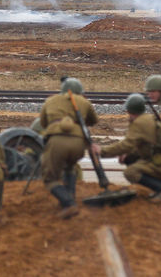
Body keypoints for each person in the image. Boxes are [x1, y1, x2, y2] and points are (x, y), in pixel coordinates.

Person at [92, 93, 161, 203]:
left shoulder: (139, 123)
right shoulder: (148, 118)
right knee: (129, 157)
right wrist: (128, 153)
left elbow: (126, 144)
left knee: (130, 172)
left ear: (130, 111)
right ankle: (159, 185)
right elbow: (142, 144)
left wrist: (102, 151)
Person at [38, 77, 97, 218]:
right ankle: (70, 201)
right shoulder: (84, 102)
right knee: (70, 168)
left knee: (50, 179)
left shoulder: (50, 100)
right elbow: (93, 121)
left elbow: (43, 122)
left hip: (57, 141)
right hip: (78, 143)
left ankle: (69, 203)